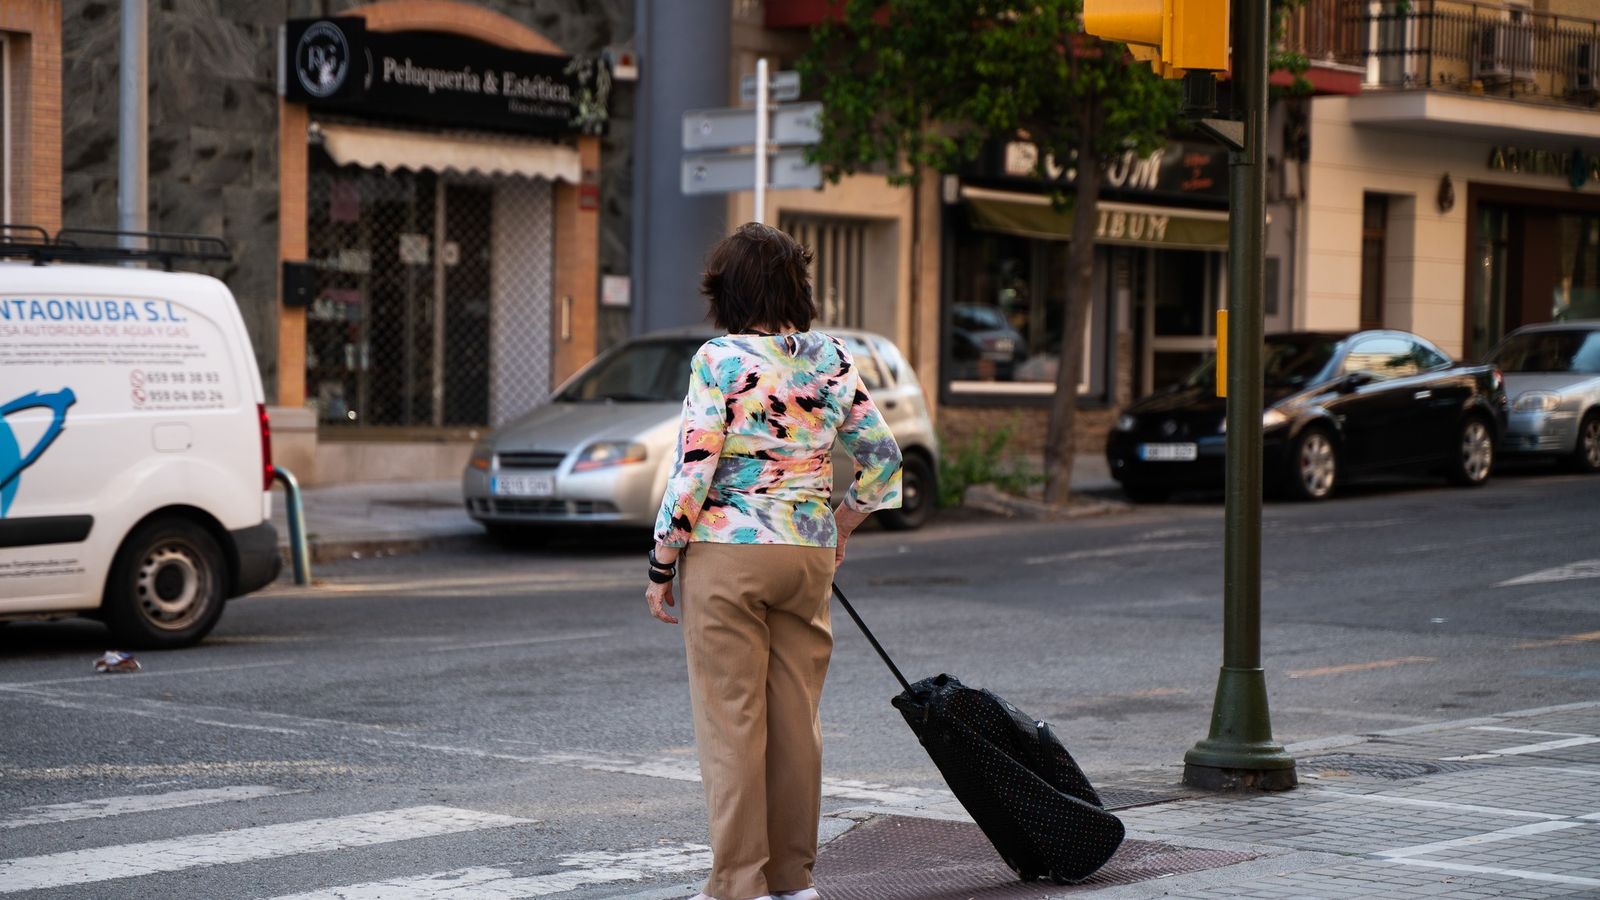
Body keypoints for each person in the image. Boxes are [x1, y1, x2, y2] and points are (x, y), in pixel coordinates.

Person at [645, 223, 903, 900]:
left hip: (729, 555)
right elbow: (883, 458)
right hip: (808, 554)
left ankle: (738, 885)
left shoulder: (720, 360)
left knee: (733, 721)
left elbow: (694, 469)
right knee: (796, 723)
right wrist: (843, 521)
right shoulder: (832, 358)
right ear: (798, 287)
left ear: (726, 291)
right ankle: (794, 881)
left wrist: (662, 560)